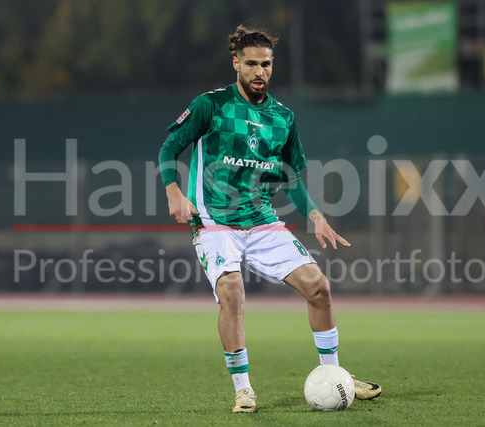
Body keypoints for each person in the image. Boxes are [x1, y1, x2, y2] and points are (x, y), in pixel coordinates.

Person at [159, 24, 381, 413]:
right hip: (214, 222)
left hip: (261, 219)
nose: (259, 71)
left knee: (319, 287)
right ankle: (243, 389)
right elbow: (169, 147)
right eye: (251, 64)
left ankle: (334, 374)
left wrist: (315, 215)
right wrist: (173, 191)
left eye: (266, 64)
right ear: (236, 64)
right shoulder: (211, 105)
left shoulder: (283, 118)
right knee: (233, 293)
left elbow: (291, 178)